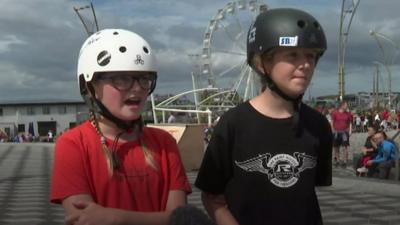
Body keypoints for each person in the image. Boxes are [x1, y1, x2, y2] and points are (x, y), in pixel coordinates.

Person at [195, 8, 332, 225]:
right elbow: (211, 196)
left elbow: (306, 193)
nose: (305, 65)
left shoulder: (318, 125)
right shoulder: (233, 124)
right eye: (292, 55)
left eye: (311, 56)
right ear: (261, 63)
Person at [50, 29, 191, 225]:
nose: (137, 88)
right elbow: (83, 219)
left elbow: (180, 219)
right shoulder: (73, 144)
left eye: (144, 79)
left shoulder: (164, 142)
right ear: (90, 86)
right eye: (121, 78)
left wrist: (115, 218)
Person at [331, 101, 352, 168]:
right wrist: (332, 130)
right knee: (336, 147)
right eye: (346, 105)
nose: (347, 106)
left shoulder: (348, 114)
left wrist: (350, 130)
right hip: (336, 132)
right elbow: (332, 121)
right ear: (342, 106)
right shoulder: (335, 113)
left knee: (344, 147)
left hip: (344, 132)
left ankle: (344, 161)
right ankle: (337, 160)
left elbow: (350, 123)